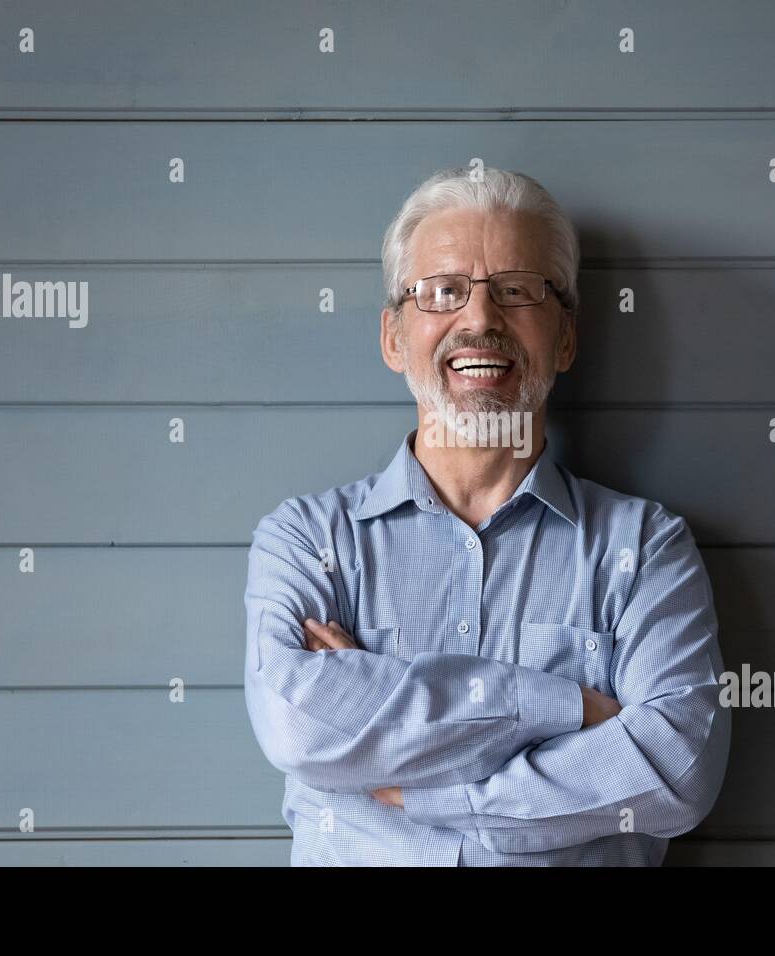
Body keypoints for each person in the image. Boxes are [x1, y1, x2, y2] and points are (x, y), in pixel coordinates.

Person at [243, 166, 730, 865]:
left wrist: (422, 775)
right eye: (443, 292)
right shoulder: (307, 540)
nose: (478, 319)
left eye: (515, 290)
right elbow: (298, 726)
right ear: (392, 338)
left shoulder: (646, 547)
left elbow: (677, 769)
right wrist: (574, 710)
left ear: (565, 339)